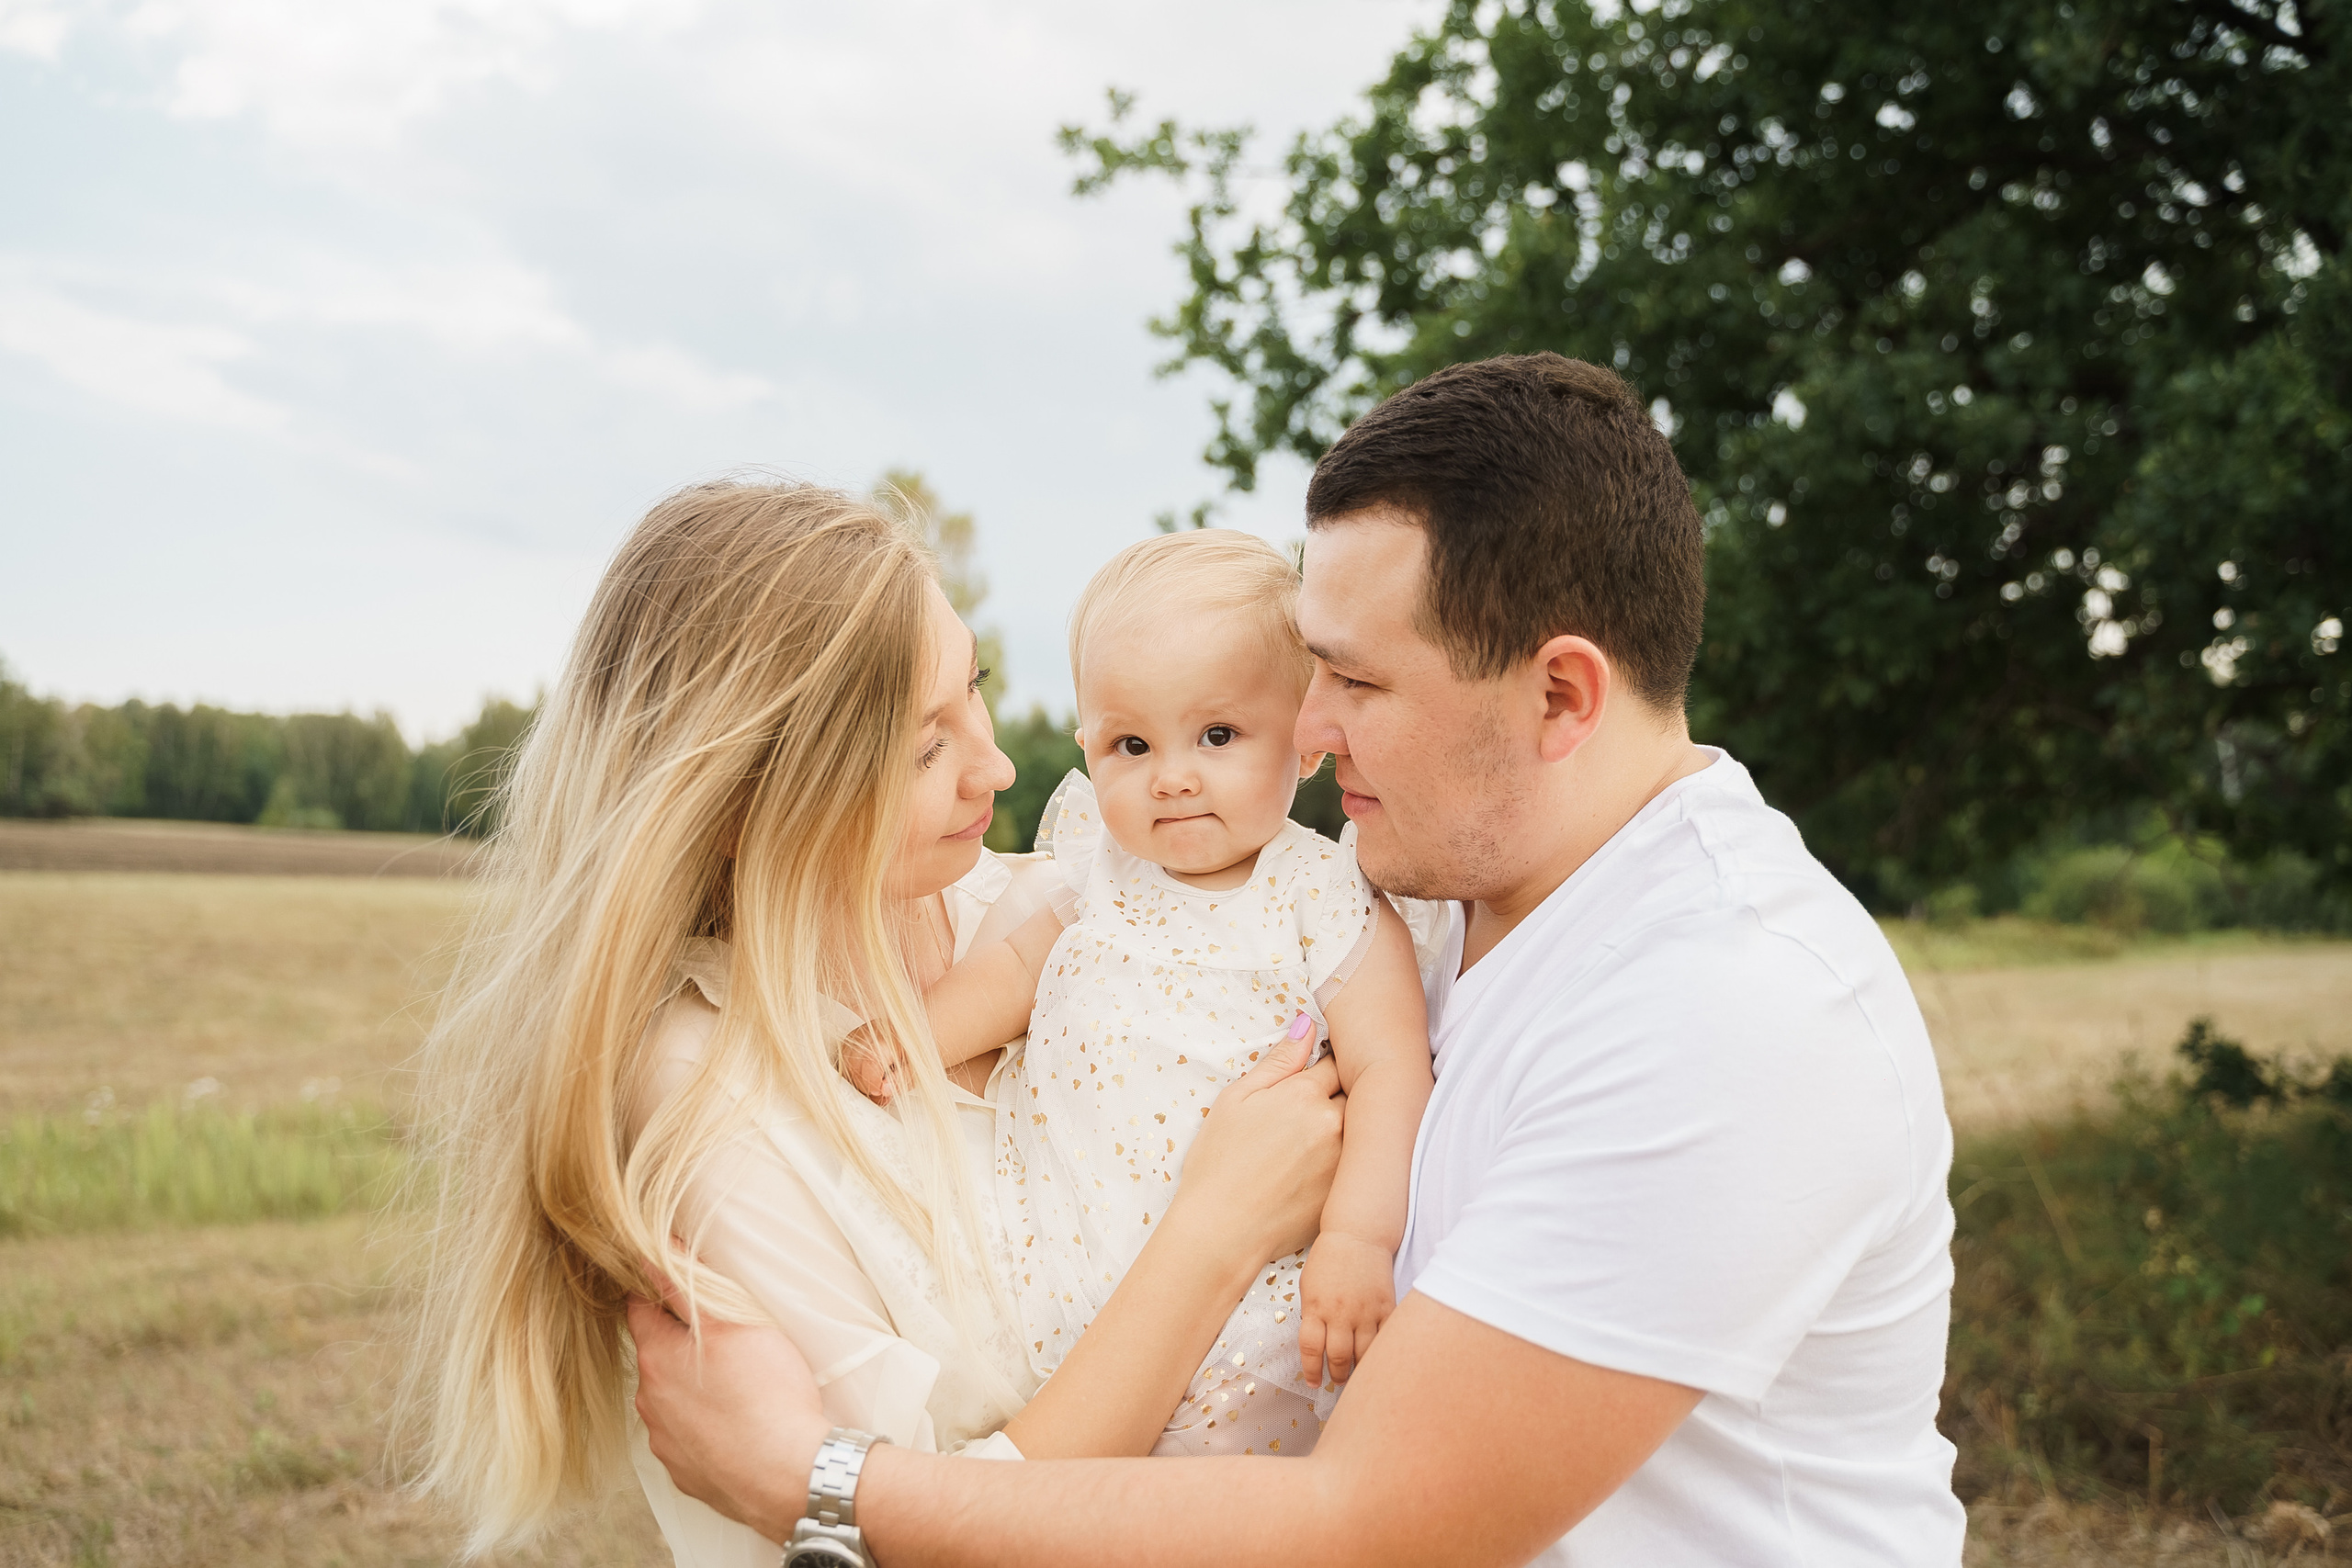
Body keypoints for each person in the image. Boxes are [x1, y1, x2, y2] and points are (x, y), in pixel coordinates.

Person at [629, 355, 1970, 1566]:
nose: (1309, 730)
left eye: (1358, 682)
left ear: (1561, 696)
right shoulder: (1437, 896)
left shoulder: (1728, 1010)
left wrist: (821, 1486)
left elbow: (1366, 1517)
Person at [397, 480, 1350, 1565]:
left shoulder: (1058, 908)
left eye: (973, 692)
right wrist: (1218, 1231)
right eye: (920, 751)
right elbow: (913, 1535)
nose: (995, 767)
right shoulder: (714, 1109)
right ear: (742, 805)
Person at [856, 529, 1433, 1454]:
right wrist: (913, 1037)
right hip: (1075, 1273)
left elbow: (1392, 1071)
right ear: (1089, 746)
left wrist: (1359, 1240)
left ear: (1305, 737)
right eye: (1131, 743)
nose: (1171, 776)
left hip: (1259, 1310)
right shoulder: (1098, 870)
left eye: (1216, 736)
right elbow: (1009, 975)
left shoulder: (1321, 896)